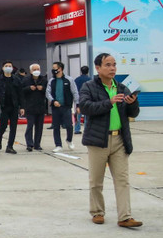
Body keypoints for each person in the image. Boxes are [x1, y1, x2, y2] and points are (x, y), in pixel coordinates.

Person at [79, 54, 142, 228]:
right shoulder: (89, 87)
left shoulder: (122, 88)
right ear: (98, 68)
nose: (113, 68)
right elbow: (85, 107)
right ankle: (97, 212)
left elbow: (133, 114)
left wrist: (132, 103)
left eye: (114, 65)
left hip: (119, 140)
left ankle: (125, 216)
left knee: (122, 179)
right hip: (98, 140)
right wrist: (109, 102)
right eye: (108, 65)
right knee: (96, 180)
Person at [46, 62, 79, 152]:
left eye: (55, 68)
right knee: (56, 126)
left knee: (69, 125)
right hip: (55, 107)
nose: (53, 70)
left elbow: (75, 92)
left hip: (66, 107)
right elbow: (47, 92)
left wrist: (78, 105)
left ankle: (69, 140)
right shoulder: (51, 80)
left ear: (60, 69)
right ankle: (58, 145)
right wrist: (53, 101)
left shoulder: (69, 80)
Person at [0, 61, 25, 154]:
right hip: (3, 106)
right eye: (6, 66)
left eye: (10, 66)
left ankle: (10, 146)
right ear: (3, 68)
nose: (8, 67)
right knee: (3, 125)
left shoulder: (16, 79)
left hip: (14, 106)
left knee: (13, 127)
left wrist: (22, 107)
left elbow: (20, 94)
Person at [21, 64, 47, 151]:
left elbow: (48, 91)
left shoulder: (43, 79)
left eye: (38, 69)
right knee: (30, 126)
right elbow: (21, 91)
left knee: (39, 127)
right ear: (31, 71)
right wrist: (29, 88)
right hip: (30, 107)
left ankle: (37, 144)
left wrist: (42, 88)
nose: (36, 70)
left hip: (40, 107)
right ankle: (29, 144)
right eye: (34, 69)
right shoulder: (26, 80)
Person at [73, 65, 91, 134]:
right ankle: (86, 129)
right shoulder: (90, 79)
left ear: (81, 71)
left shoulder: (76, 79)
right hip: (87, 99)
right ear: (87, 71)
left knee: (78, 114)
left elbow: (74, 90)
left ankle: (77, 129)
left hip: (79, 99)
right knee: (87, 115)